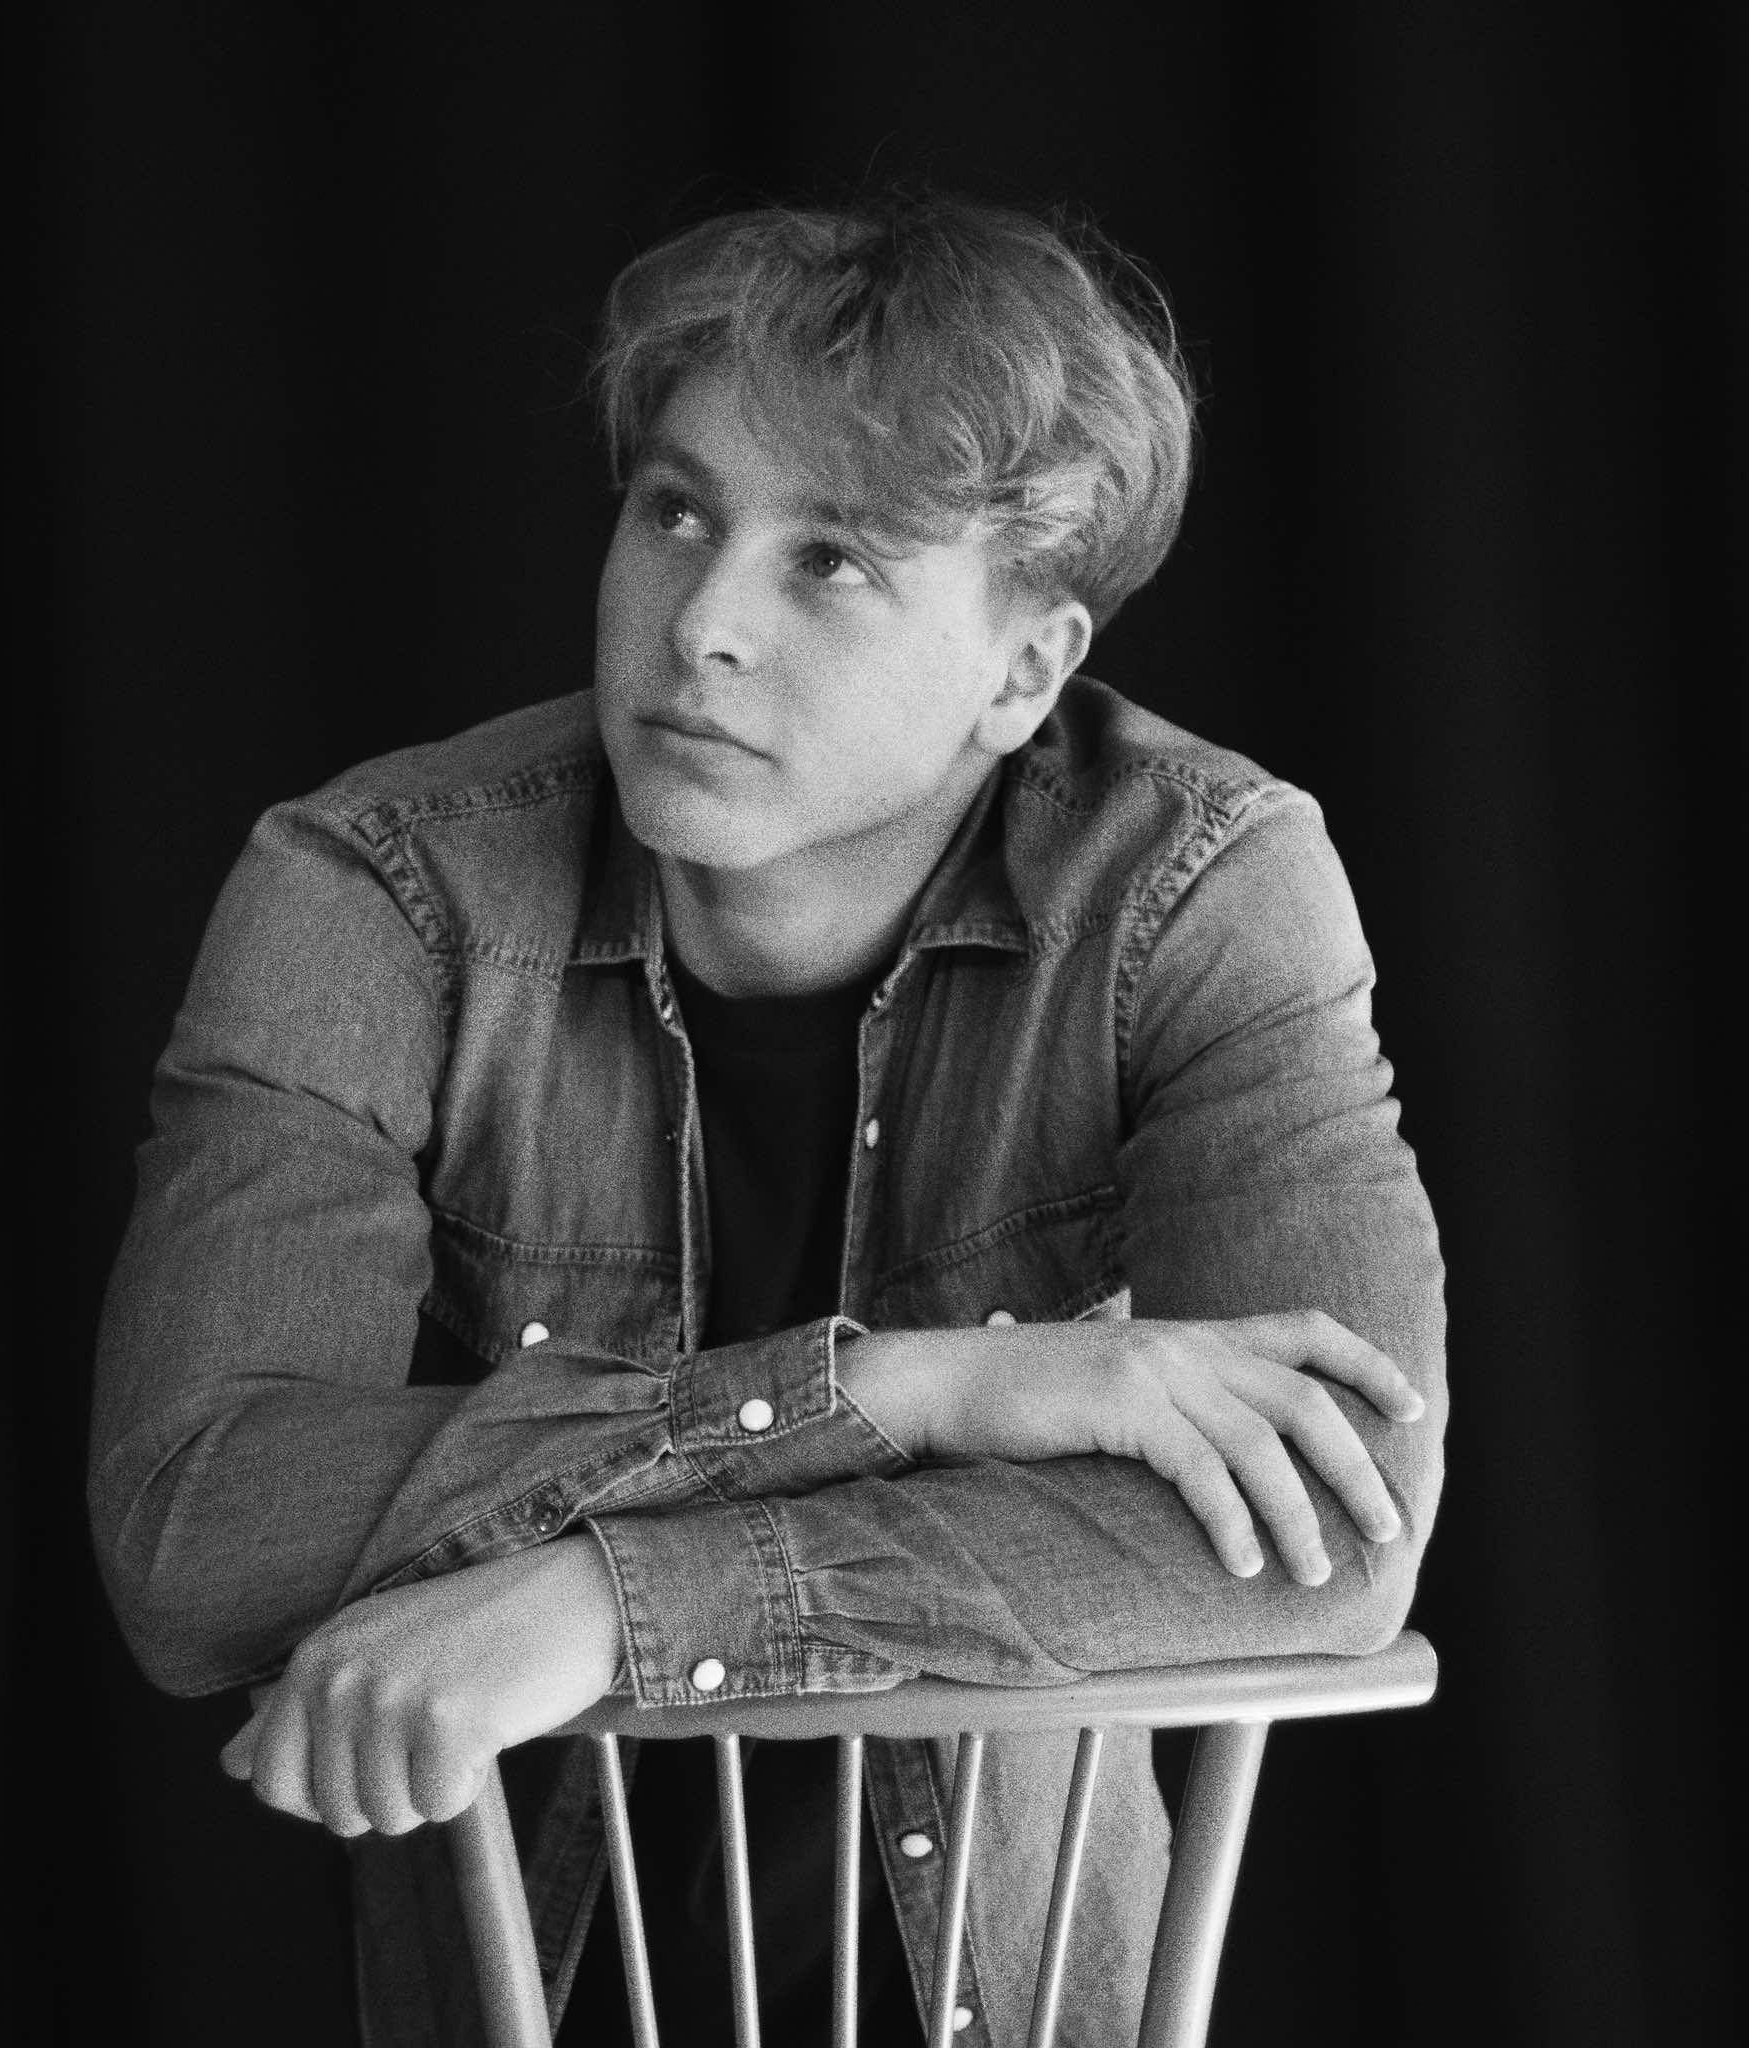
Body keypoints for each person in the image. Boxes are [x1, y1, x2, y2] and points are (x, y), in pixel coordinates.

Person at [90, 192, 1446, 2047]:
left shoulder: (1197, 887)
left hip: (1024, 2004)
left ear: (1026, 671)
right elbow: (195, 1532)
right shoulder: (376, 891)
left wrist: (616, 1599)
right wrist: (907, 1390)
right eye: (676, 512)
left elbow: (1337, 1542)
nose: (702, 626)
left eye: (834, 561)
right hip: (526, 1994)